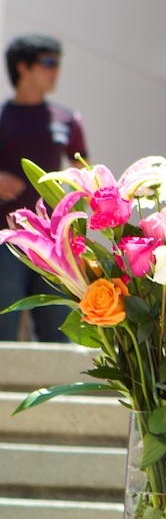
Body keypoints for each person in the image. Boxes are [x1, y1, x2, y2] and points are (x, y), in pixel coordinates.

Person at [0, 34, 88, 341]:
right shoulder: (2, 117)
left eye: (58, 63)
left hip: (54, 245)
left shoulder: (68, 120)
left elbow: (83, 175)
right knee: (4, 335)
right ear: (22, 67)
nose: (56, 70)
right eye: (49, 62)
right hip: (6, 243)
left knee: (60, 335)